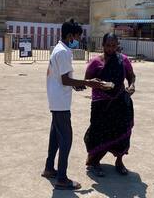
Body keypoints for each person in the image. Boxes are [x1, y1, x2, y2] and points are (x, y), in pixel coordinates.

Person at [42, 21, 106, 190]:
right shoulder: (63, 52)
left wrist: (76, 84)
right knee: (66, 139)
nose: (78, 40)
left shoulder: (59, 49)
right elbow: (65, 79)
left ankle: (49, 168)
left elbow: (62, 78)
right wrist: (88, 82)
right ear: (70, 36)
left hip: (57, 99)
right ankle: (62, 178)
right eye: (78, 37)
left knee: (55, 136)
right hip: (60, 102)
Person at [84, 33, 136, 177]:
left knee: (122, 131)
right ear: (103, 45)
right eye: (108, 46)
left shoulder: (123, 60)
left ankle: (119, 161)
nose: (111, 49)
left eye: (114, 46)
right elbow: (86, 79)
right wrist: (98, 84)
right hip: (101, 103)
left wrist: (131, 85)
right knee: (98, 132)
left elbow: (131, 76)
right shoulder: (95, 62)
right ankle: (94, 161)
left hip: (120, 101)